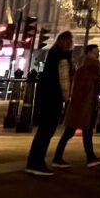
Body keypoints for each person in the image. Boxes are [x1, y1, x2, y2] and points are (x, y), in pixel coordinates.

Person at [26, 31, 74, 175]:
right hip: (54, 97)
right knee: (47, 131)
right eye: (71, 41)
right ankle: (37, 163)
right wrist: (66, 98)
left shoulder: (53, 54)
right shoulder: (63, 58)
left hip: (46, 96)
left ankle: (33, 161)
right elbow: (64, 80)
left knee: (43, 131)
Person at [56, 43, 100, 167]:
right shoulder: (85, 70)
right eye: (95, 52)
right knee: (71, 132)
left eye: (98, 52)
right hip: (82, 106)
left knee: (83, 132)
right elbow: (78, 90)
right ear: (88, 53)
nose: (97, 54)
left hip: (87, 105)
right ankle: (58, 158)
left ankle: (90, 157)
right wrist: (79, 105)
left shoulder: (93, 69)